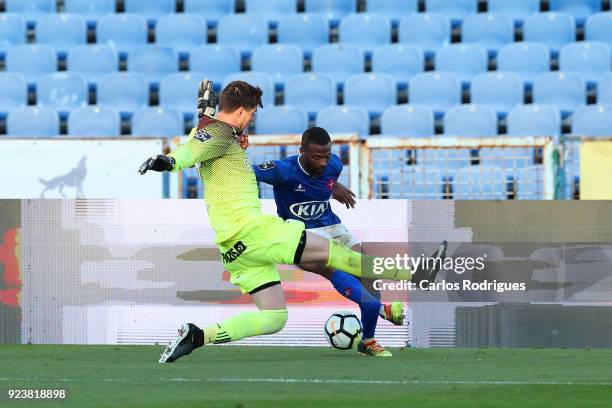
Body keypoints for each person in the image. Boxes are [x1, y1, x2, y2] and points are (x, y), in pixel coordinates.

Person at [139, 80, 442, 363]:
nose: (252, 120)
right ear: (242, 110)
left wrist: (206, 117)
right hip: (255, 230)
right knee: (340, 256)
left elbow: (201, 140)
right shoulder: (218, 135)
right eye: (253, 113)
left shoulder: (217, 135)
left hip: (233, 248)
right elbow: (191, 150)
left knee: (273, 317)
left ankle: (197, 335)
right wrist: (168, 161)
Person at [252, 126, 407, 357]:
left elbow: (327, 179)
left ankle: (368, 339)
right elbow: (244, 172)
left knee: (367, 269)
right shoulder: (283, 170)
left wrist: (334, 188)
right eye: (316, 157)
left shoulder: (334, 164)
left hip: (332, 226)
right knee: (337, 271)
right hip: (301, 235)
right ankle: (377, 314)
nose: (323, 162)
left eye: (326, 156)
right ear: (301, 150)